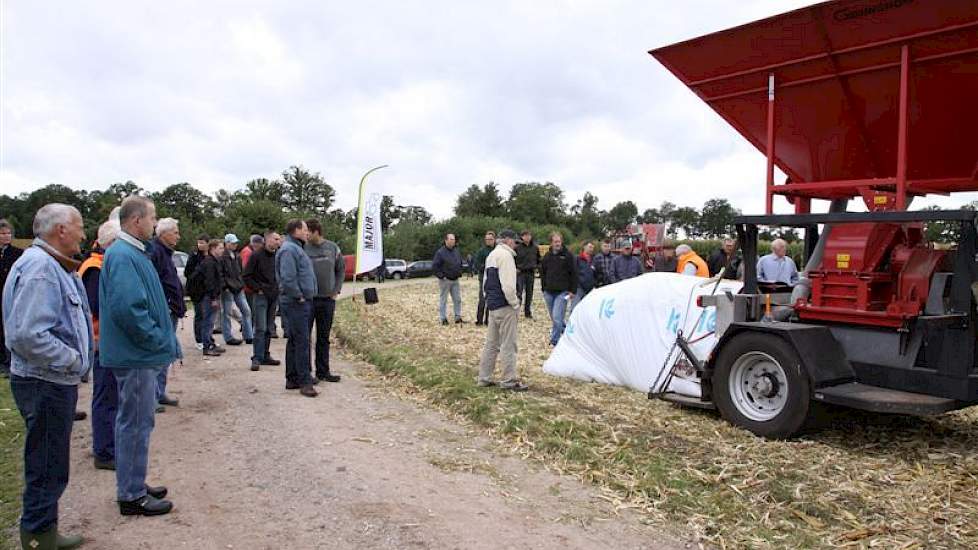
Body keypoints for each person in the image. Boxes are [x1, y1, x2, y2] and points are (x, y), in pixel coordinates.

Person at [4, 204, 92, 549]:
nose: (83, 234)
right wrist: (72, 359)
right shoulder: (42, 268)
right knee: (46, 462)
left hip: (49, 380)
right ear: (61, 231)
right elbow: (26, 335)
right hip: (45, 381)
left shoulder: (48, 264)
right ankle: (39, 536)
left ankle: (43, 530)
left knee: (50, 459)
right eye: (79, 227)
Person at [99, 196, 175, 517]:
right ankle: (131, 495)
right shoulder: (124, 255)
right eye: (152, 217)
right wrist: (156, 339)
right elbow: (130, 309)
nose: (155, 223)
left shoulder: (130, 252)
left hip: (137, 354)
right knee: (135, 423)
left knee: (137, 421)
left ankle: (134, 483)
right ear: (136, 221)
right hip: (136, 355)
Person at [80, 220, 121, 472]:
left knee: (110, 395)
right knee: (105, 396)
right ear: (110, 244)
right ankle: (104, 451)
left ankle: (107, 445)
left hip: (107, 339)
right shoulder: (95, 267)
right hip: (101, 340)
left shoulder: (100, 263)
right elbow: (97, 306)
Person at [477, 229, 528, 392]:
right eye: (514, 241)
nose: (516, 244)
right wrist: (515, 303)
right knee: (508, 345)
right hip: (505, 306)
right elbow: (508, 286)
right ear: (507, 240)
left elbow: (485, 282)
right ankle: (508, 380)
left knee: (491, 344)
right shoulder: (506, 257)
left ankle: (484, 378)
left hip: (493, 305)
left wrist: (488, 300)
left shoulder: (491, 255)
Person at [276, 219, 318, 397]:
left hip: (298, 301)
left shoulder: (296, 248)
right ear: (296, 230)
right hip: (296, 302)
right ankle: (305, 382)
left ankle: (292, 378)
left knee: (295, 340)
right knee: (301, 341)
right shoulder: (289, 249)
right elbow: (287, 277)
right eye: (305, 229)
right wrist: (299, 295)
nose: (307, 232)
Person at [148, 218, 184, 409]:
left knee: (166, 353)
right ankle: (152, 396)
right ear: (164, 234)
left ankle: (159, 392)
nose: (178, 236)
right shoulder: (156, 252)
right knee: (159, 352)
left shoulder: (165, 252)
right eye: (175, 232)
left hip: (170, 309)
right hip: (163, 310)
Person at [304, 218, 344, 383]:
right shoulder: (303, 248)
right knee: (305, 337)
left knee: (323, 337)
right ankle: (307, 372)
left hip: (327, 300)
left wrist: (336, 290)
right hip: (309, 300)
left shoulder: (332, 247)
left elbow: (341, 270)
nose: (305, 235)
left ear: (316, 232)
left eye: (308, 232)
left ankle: (323, 371)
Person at [243, 230, 282, 371]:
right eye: (276, 239)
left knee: (269, 328)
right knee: (260, 328)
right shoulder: (256, 255)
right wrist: (257, 289)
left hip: (274, 295)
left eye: (279, 239)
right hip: (260, 296)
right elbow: (247, 276)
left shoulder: (278, 255)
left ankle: (265, 355)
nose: (278, 242)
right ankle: (257, 357)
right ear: (268, 240)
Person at [539, 232, 578, 347]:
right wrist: (543, 288)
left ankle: (554, 340)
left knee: (557, 317)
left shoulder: (568, 256)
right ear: (551, 242)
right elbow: (542, 272)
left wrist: (573, 290)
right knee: (555, 318)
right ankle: (569, 332)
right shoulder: (547, 256)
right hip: (549, 292)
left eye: (559, 241)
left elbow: (574, 274)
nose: (557, 244)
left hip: (562, 292)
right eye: (555, 241)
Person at [0, 218, 24, 378]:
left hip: (11, 296)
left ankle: (10, 362)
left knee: (9, 328)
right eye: (3, 233)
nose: (6, 236)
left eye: (9, 233)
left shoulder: (18, 254)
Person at [220, 234, 253, 346]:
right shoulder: (222, 257)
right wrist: (225, 287)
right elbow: (221, 274)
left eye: (235, 243)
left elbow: (240, 272)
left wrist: (241, 283)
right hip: (228, 289)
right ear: (227, 243)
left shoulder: (237, 256)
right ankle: (228, 337)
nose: (235, 245)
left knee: (246, 310)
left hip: (238, 287)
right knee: (226, 313)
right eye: (232, 243)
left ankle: (248, 335)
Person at [200, 240, 227, 357]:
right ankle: (207, 346)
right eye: (220, 248)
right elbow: (209, 281)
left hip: (214, 294)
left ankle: (210, 342)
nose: (223, 250)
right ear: (213, 248)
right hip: (209, 296)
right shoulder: (209, 262)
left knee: (210, 321)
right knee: (208, 321)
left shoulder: (215, 261)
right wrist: (213, 298)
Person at [184, 233, 210, 350]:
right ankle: (199, 339)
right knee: (199, 314)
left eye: (203, 242)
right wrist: (198, 272)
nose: (200, 245)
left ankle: (208, 339)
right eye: (199, 242)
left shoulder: (209, 256)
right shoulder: (194, 256)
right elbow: (187, 273)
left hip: (207, 289)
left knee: (208, 316)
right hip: (196, 290)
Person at [432, 233, 464, 325]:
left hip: (455, 280)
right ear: (446, 240)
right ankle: (443, 318)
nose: (453, 241)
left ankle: (457, 317)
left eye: (453, 240)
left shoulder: (456, 251)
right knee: (443, 300)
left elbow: (460, 262)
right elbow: (435, 266)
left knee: (457, 299)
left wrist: (460, 272)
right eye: (451, 239)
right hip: (445, 280)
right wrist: (442, 276)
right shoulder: (440, 252)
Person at [514, 230, 540, 318]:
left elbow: (538, 259)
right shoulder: (517, 248)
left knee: (529, 293)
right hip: (520, 273)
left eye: (528, 235)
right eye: (525, 235)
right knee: (519, 292)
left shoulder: (535, 248)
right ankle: (516, 311)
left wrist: (537, 267)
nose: (527, 237)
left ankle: (527, 312)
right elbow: (513, 259)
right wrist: (515, 268)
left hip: (530, 273)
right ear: (521, 237)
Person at [472, 231, 496, 325]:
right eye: (487, 239)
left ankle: (488, 320)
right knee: (482, 298)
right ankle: (479, 320)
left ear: (494, 239)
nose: (488, 241)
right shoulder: (482, 251)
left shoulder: (497, 250)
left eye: (490, 239)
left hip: (494, 277)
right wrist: (485, 267)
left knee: (491, 298)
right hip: (484, 276)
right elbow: (477, 264)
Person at [241, 234, 264, 327]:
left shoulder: (247, 251)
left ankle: (248, 328)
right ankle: (249, 329)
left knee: (250, 310)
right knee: (251, 310)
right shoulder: (248, 252)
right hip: (249, 287)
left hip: (249, 286)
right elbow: (246, 269)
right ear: (257, 244)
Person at [571, 242, 595, 311]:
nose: (591, 249)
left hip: (590, 289)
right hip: (579, 288)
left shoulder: (594, 259)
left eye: (593, 248)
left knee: (587, 310)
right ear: (584, 247)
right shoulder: (577, 258)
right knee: (575, 308)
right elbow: (573, 272)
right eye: (590, 247)